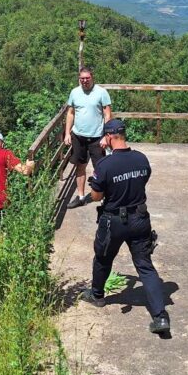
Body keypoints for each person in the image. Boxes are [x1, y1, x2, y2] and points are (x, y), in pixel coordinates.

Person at [77, 119, 170, 335]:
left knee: (103, 258)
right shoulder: (141, 158)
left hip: (114, 221)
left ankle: (97, 295)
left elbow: (96, 196)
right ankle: (160, 317)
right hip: (139, 218)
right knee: (145, 266)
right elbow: (143, 180)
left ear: (109, 137)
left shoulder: (105, 165)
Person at [64, 66, 112, 209]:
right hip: (79, 136)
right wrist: (67, 133)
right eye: (82, 78)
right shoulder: (74, 92)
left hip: (97, 137)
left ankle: (105, 198)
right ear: (79, 79)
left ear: (92, 77)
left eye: (87, 78)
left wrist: (106, 136)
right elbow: (70, 113)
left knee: (101, 168)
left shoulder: (101, 92)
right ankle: (81, 197)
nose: (85, 80)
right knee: (80, 166)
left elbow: (107, 115)